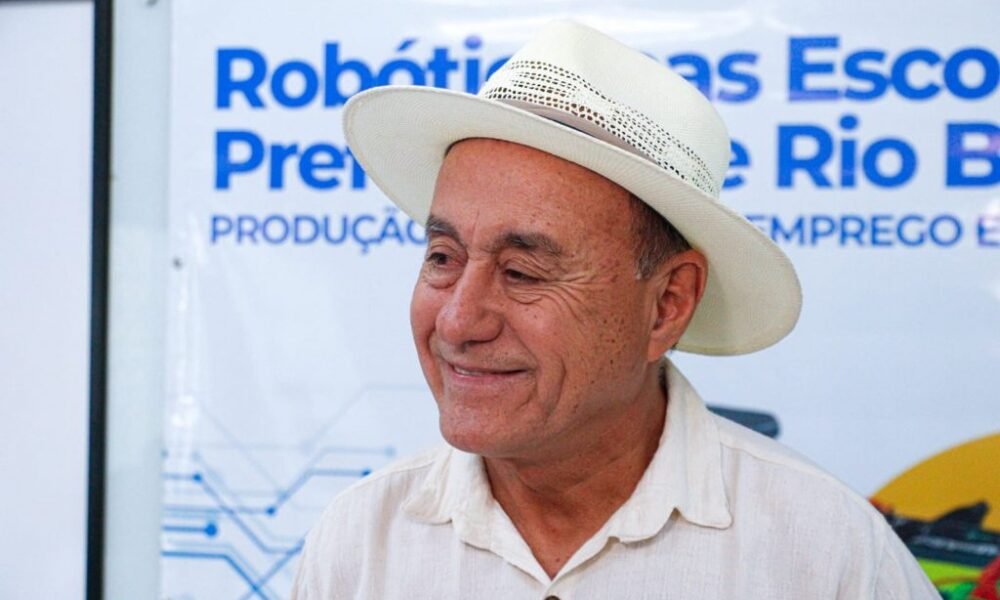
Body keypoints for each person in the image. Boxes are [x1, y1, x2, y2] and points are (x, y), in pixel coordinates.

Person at [292, 21, 937, 599]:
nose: (459, 322)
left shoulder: (827, 558)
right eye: (442, 257)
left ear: (667, 305)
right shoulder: (360, 547)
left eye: (522, 273)